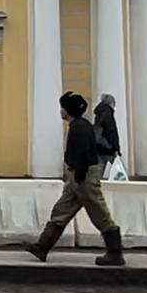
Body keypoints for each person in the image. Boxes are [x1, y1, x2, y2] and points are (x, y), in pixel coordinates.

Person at [22, 91, 125, 267]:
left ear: (67, 111)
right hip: (79, 175)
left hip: (84, 176)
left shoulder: (80, 128)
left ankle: (115, 252)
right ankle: (42, 247)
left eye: (62, 108)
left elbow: (84, 154)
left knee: (99, 212)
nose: (60, 111)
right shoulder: (80, 125)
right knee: (62, 209)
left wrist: (79, 174)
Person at [93, 93, 121, 175]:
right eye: (114, 103)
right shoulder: (108, 113)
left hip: (99, 146)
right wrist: (116, 148)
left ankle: (95, 184)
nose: (115, 106)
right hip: (108, 147)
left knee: (98, 171)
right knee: (119, 169)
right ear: (110, 103)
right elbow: (111, 131)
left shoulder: (99, 113)